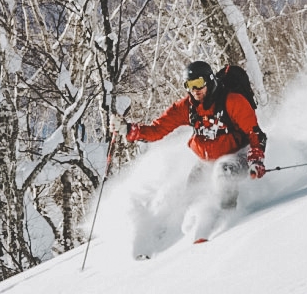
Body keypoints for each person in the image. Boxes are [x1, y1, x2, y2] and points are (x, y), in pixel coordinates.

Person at [111, 60, 266, 212]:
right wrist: (129, 130)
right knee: (192, 193)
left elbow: (255, 133)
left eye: (198, 83)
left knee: (224, 173)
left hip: (239, 155)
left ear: (209, 80)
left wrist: (256, 159)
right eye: (189, 85)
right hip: (207, 162)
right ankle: (195, 227)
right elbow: (158, 130)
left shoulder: (232, 101)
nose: (195, 90)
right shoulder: (187, 108)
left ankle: (230, 220)